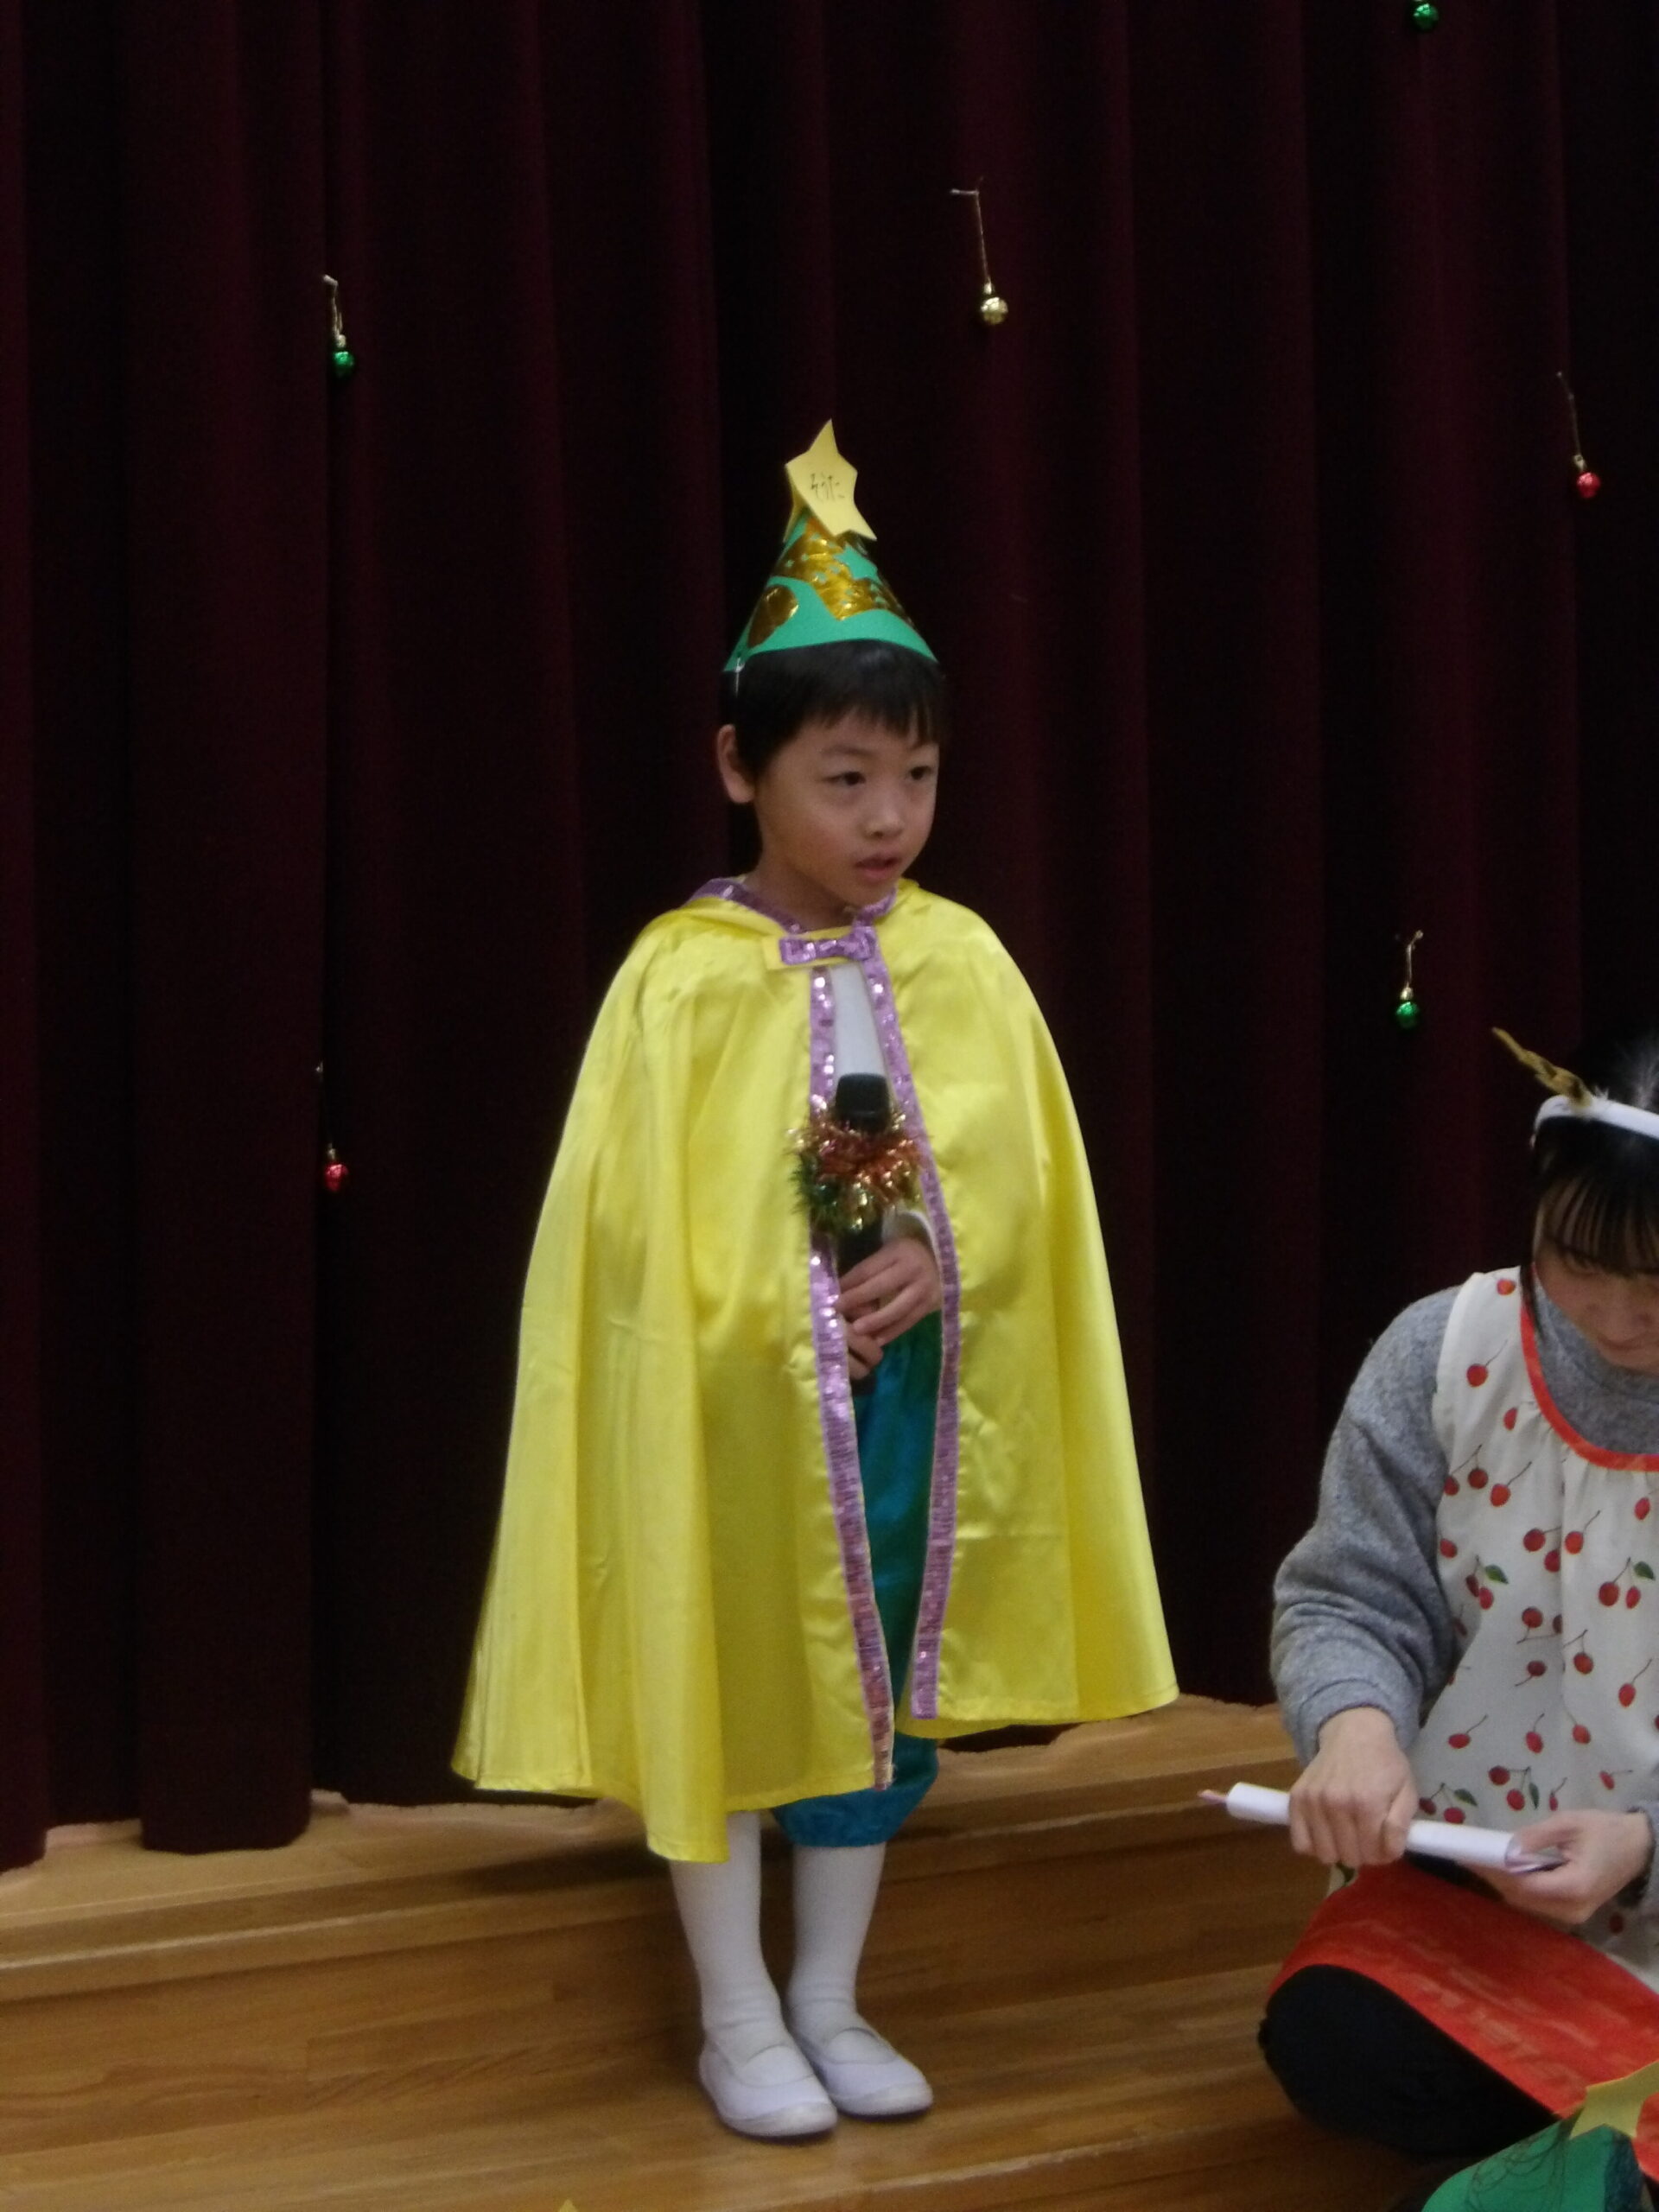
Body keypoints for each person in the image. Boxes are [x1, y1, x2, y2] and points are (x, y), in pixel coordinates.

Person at [454, 425, 1174, 2140]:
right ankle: (735, 2011)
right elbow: (634, 1229)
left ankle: (832, 1995)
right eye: (845, 777)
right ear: (740, 764)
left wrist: (937, 1251)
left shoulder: (961, 958)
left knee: (872, 1689)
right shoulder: (680, 980)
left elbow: (1017, 1178)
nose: (889, 818)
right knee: (725, 1672)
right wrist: (762, 1313)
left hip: (901, 1398)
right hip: (731, 1407)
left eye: (915, 776)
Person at [1262, 1024, 1659, 2202]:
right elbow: (1349, 1595)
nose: (1617, 1315)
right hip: (1485, 1898)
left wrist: (1641, 1843)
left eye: (1658, 1281)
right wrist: (1356, 1731)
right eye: (1578, 1263)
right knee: (1336, 2043)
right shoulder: (1445, 1351)